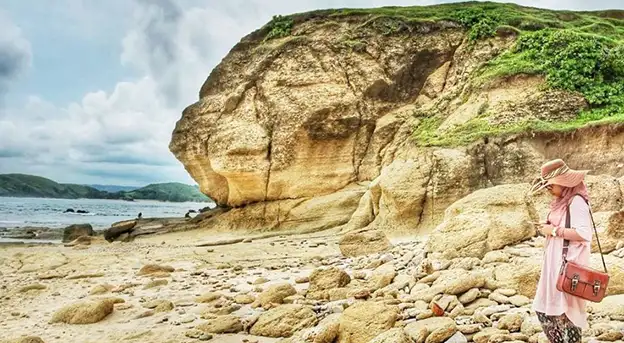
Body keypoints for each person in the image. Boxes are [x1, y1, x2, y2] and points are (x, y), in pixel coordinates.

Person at [528, 159, 593, 343]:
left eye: (550, 185)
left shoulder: (576, 201)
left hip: (568, 264)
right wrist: (549, 226)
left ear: (563, 182)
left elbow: (583, 232)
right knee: (545, 309)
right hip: (555, 262)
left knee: (567, 313)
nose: (548, 189)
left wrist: (554, 231)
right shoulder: (562, 201)